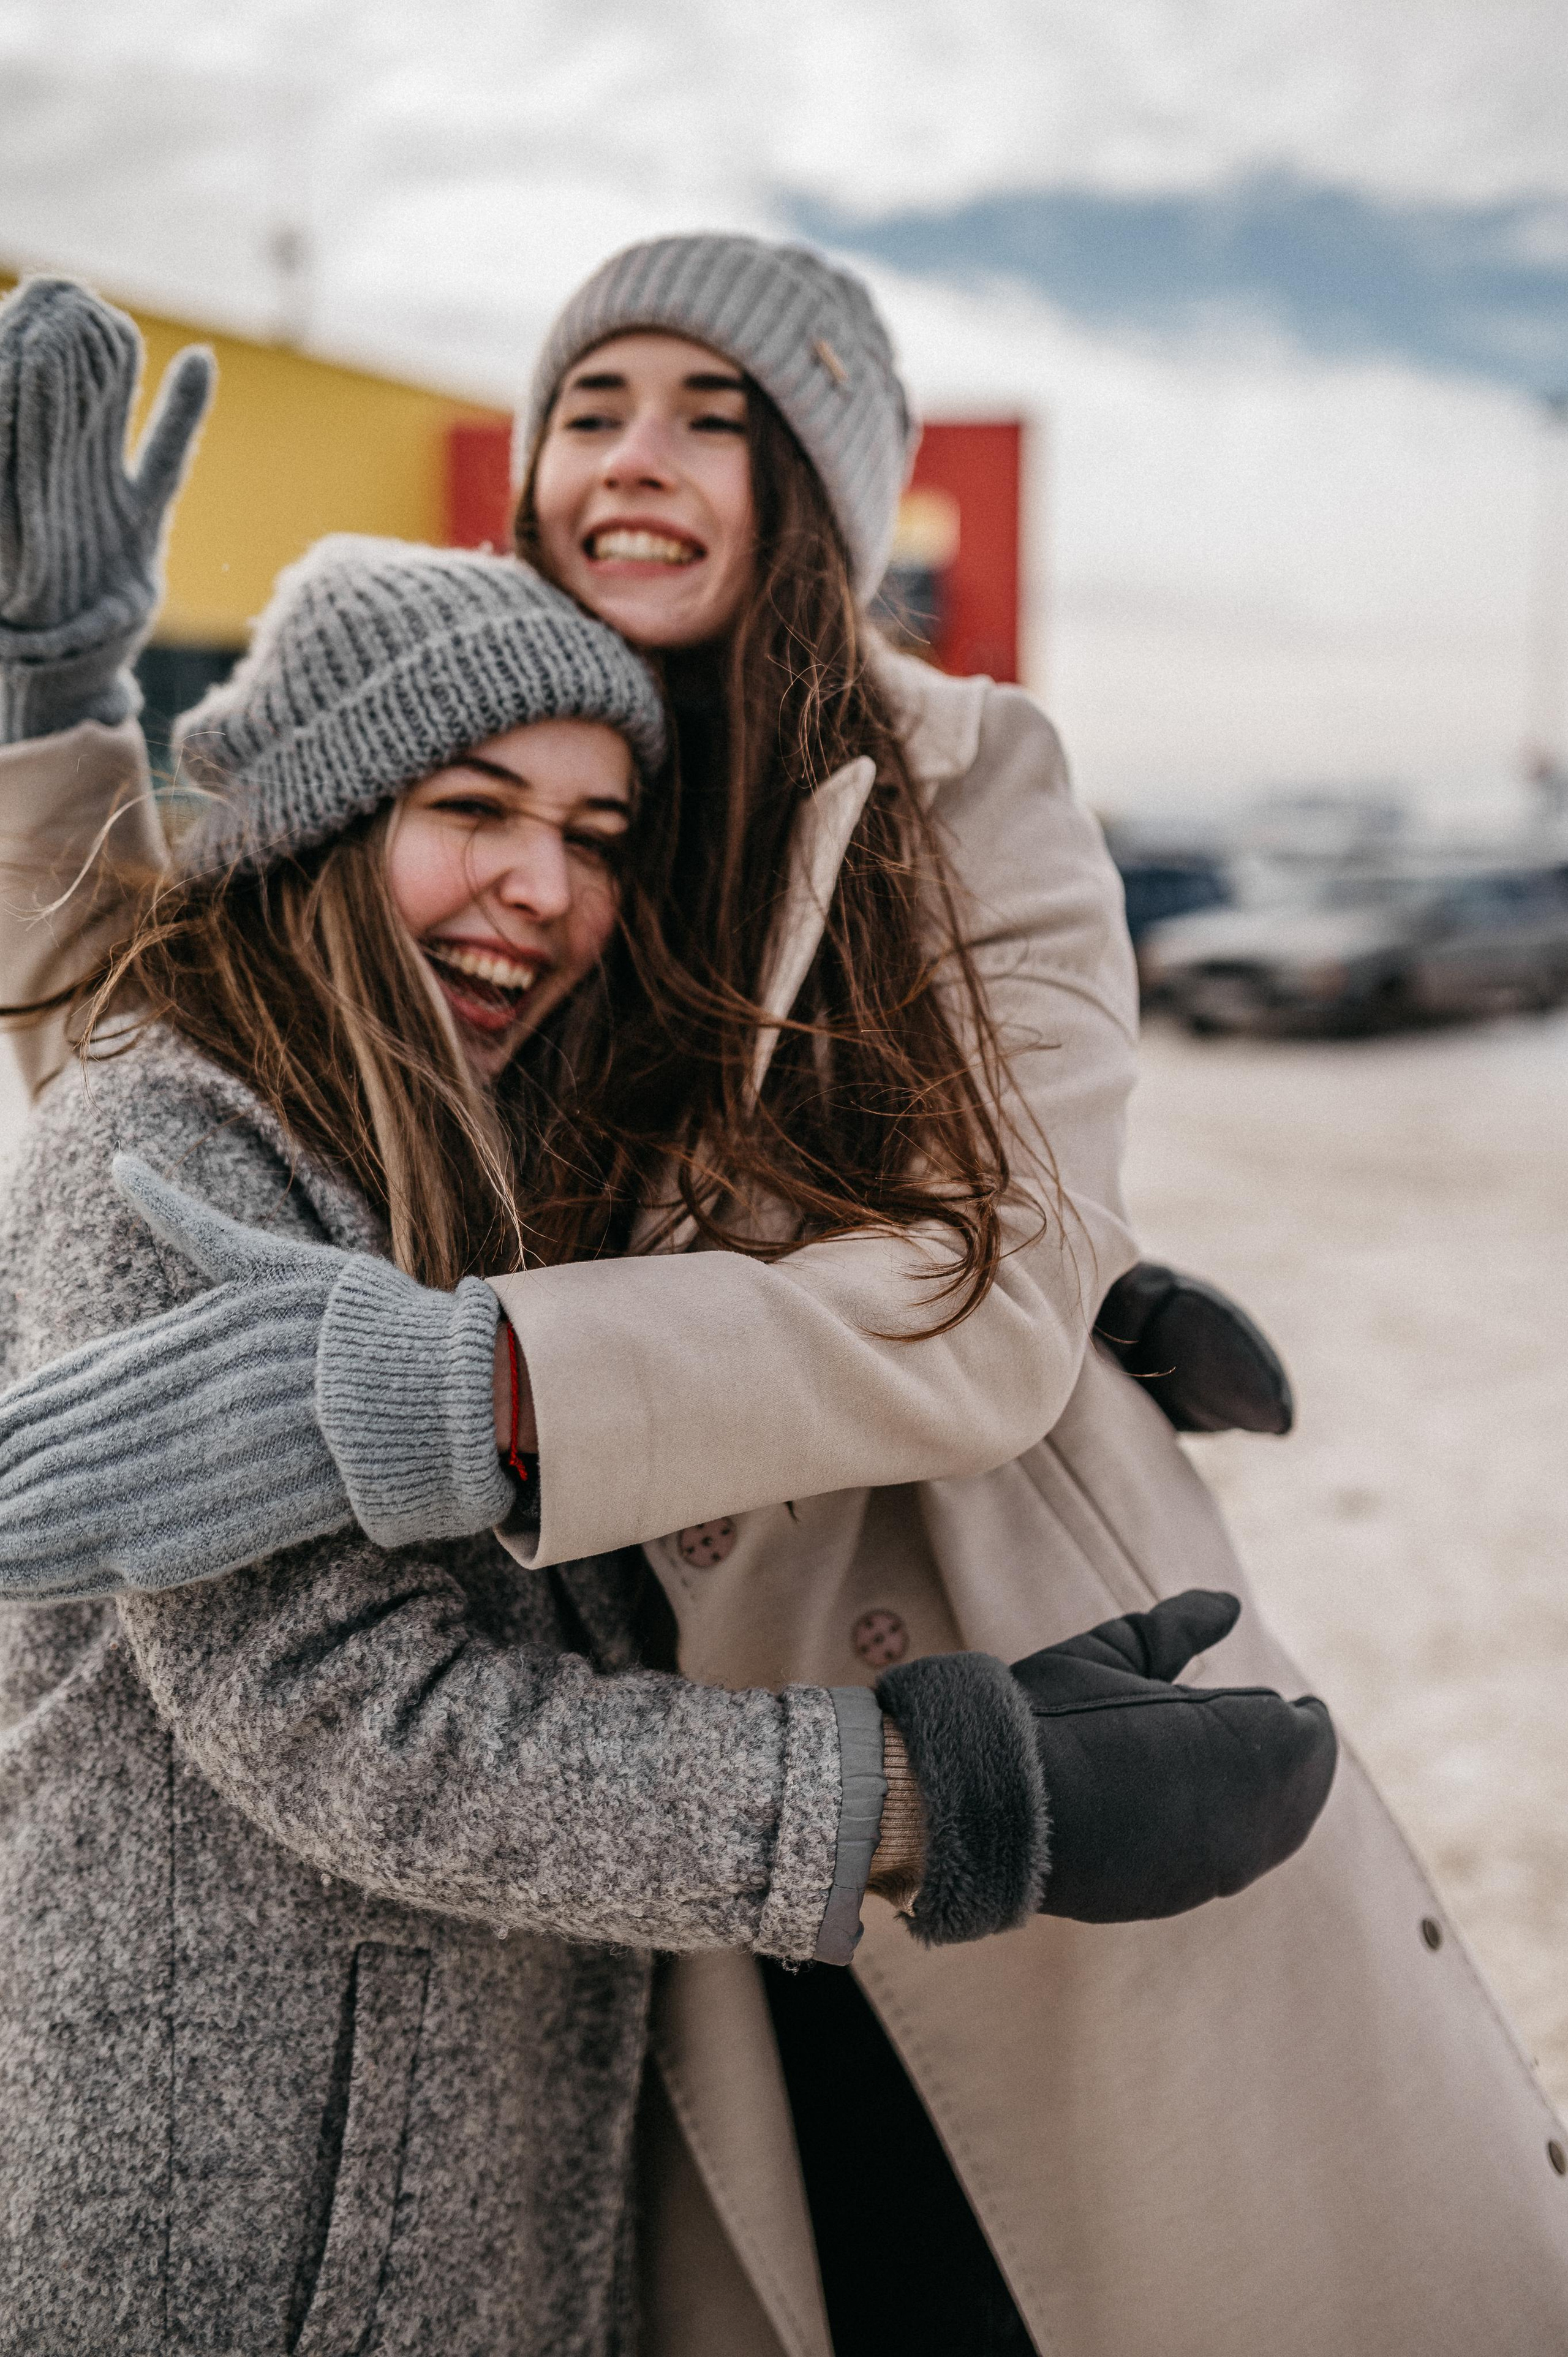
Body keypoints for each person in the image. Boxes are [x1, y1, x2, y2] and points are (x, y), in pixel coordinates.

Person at [0, 257, 1563, 2355]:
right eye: (593, 403)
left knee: (1091, 2244)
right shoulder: (496, 722)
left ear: (821, 490)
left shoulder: (965, 770)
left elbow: (997, 1262)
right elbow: (204, 1011)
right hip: (658, 1698)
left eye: (715, 414)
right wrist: (55, 708)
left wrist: (490, 1385)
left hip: (950, 1615)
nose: (634, 456)